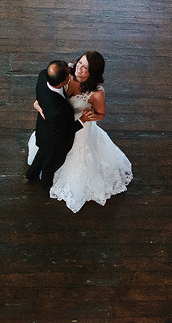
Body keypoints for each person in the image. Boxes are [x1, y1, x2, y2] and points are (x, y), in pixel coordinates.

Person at [28, 52, 133, 213]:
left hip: (79, 126)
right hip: (59, 125)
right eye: (80, 63)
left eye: (86, 68)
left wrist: (87, 118)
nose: (79, 68)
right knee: (52, 151)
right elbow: (48, 79)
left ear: (93, 73)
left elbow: (101, 114)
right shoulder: (66, 71)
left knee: (70, 153)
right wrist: (38, 104)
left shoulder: (97, 93)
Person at [26, 60, 90, 190]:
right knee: (50, 165)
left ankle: (30, 174)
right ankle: (46, 185)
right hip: (53, 141)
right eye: (67, 75)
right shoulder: (56, 110)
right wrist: (82, 120)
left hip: (43, 130)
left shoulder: (43, 76)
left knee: (40, 154)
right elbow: (62, 134)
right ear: (62, 83)